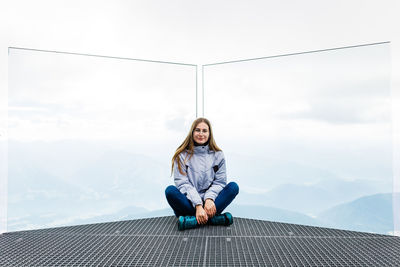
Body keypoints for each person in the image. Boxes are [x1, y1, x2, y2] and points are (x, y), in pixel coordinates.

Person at [165, 117, 239, 230]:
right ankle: (212, 219)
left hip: (211, 203)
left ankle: (193, 220)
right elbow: (182, 183)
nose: (201, 133)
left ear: (209, 134)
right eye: (197, 130)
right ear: (192, 132)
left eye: (204, 131)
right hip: (189, 202)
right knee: (170, 191)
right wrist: (198, 205)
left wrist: (209, 199)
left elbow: (220, 182)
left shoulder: (218, 155)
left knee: (233, 187)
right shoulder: (181, 155)